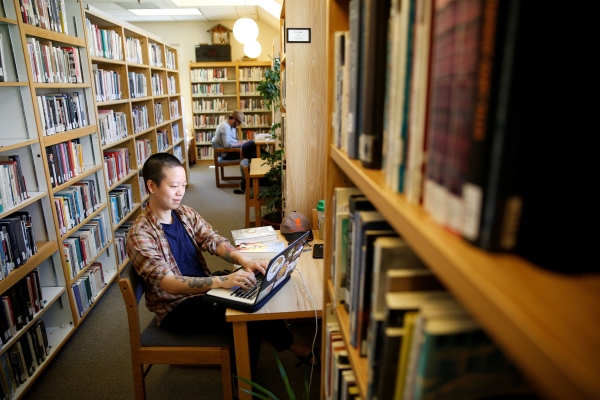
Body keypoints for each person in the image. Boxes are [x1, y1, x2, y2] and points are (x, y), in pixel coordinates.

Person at [126, 153, 318, 371]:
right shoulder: (140, 234)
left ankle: (285, 347)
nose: (181, 192)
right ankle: (250, 382)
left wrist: (244, 260)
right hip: (177, 308)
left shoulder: (184, 213)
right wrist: (222, 281)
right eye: (173, 186)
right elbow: (169, 283)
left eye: (184, 185)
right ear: (151, 186)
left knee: (255, 283)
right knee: (247, 312)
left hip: (204, 288)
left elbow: (212, 240)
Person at [212, 110, 258, 193]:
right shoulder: (224, 127)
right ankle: (250, 182)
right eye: (239, 122)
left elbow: (233, 141)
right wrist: (241, 143)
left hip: (234, 150)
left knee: (254, 152)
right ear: (233, 119)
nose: (239, 125)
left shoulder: (231, 127)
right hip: (228, 153)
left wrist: (241, 142)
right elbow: (227, 145)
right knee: (252, 144)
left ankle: (247, 184)